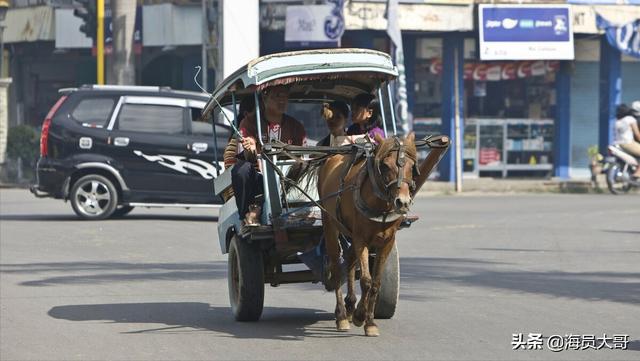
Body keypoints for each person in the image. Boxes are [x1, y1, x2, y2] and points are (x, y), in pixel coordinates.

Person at [230, 85, 306, 226]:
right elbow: (246, 156)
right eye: (277, 96)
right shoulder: (249, 123)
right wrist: (251, 148)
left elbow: (302, 156)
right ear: (264, 98)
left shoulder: (296, 127)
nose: (282, 100)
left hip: (287, 178)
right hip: (259, 178)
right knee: (241, 170)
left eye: (285, 96)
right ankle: (247, 213)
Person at [614, 103, 640, 178]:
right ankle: (638, 172)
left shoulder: (617, 121)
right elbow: (637, 135)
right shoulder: (630, 119)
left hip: (617, 143)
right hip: (628, 143)